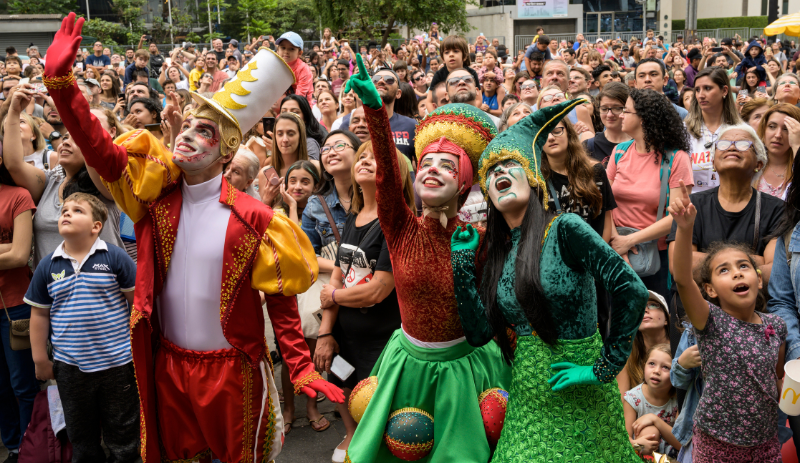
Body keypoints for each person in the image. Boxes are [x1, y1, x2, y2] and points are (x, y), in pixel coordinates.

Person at [41, 16, 343, 462]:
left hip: (233, 373)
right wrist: (61, 86)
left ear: (225, 151)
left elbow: (279, 298)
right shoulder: (154, 202)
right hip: (169, 366)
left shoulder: (257, 217)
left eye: (204, 131)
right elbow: (99, 148)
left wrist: (297, 366)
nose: (187, 135)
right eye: (187, 127)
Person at [450, 97, 647, 461]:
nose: (500, 173)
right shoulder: (501, 251)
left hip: (580, 389)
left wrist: (602, 368)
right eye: (491, 172)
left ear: (533, 176)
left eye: (510, 164)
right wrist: (462, 266)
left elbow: (631, 288)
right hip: (527, 396)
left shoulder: (565, 228)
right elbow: (479, 335)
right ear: (488, 195)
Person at [344, 55, 510, 462]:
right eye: (426, 164)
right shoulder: (401, 227)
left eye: (447, 165)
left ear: (465, 183)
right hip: (408, 364)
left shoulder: (481, 239)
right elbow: (386, 172)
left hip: (466, 370)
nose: (432, 170)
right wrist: (375, 111)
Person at [670, 180, 786, 462]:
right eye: (724, 270)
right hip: (716, 445)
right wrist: (685, 228)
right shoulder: (711, 322)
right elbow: (683, 279)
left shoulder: (777, 325)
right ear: (709, 290)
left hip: (765, 445)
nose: (737, 273)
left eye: (743, 266)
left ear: (758, 279)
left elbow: (779, 377)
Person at [315, 140, 413, 462]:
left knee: (380, 402)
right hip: (346, 333)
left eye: (376, 158)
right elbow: (337, 276)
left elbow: (378, 290)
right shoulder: (353, 218)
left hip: (382, 338)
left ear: (397, 174)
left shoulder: (396, 222)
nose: (365, 161)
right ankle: (352, 434)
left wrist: (335, 296)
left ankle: (376, 447)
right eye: (362, 156)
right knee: (341, 382)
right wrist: (326, 334)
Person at [26, 192, 139, 463]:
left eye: (77, 210)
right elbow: (39, 315)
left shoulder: (115, 258)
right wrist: (40, 358)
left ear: (95, 226)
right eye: (65, 209)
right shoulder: (48, 265)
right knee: (81, 435)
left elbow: (139, 307)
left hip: (118, 364)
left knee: (123, 432)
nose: (66, 213)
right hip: (70, 367)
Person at [608, 88, 694, 297]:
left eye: (626, 111)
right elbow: (604, 203)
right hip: (615, 249)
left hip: (655, 256)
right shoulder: (619, 151)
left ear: (644, 118)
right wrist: (616, 242)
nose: (620, 115)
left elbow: (677, 216)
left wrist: (630, 241)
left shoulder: (676, 158)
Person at [0, 146, 37, 463]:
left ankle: (29, 447)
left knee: (23, 384)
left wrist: (11, 250)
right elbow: (9, 252)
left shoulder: (18, 196)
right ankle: (12, 445)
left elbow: (19, 255)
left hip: (15, 307)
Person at [685, 67, 743, 193]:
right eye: (697, 90)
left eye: (707, 88)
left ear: (724, 90)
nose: (701, 95)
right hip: (693, 207)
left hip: (731, 207)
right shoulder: (684, 131)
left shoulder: (742, 131)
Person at [623, 344, 680, 456]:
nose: (656, 371)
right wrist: (638, 446)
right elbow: (624, 440)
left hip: (671, 455)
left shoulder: (678, 399)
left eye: (665, 367)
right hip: (642, 451)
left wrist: (655, 420)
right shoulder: (633, 398)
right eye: (652, 364)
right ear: (644, 366)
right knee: (650, 431)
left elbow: (681, 443)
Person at [618, 291, 671, 396]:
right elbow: (621, 402)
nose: (645, 310)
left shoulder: (681, 347)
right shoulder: (627, 354)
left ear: (666, 319)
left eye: (652, 305)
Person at [753, 103, 800, 198]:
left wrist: (797, 147)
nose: (778, 135)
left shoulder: (795, 167)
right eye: (772, 126)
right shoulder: (750, 164)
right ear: (764, 129)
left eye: (786, 129)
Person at [586, 82, 631, 166]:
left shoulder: (641, 144)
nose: (609, 114)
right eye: (604, 109)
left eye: (617, 108)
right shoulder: (589, 146)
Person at [280, 94, 328, 160]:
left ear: (305, 118)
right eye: (284, 112)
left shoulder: (310, 143)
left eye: (295, 112)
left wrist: (280, 153)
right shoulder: (277, 140)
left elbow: (309, 168)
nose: (288, 116)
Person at [276, 32, 314, 101]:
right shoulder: (275, 66)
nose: (286, 51)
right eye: (283, 48)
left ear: (299, 53)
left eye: (291, 49)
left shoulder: (303, 69)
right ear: (277, 50)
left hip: (298, 108)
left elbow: (300, 97)